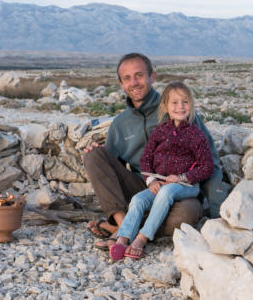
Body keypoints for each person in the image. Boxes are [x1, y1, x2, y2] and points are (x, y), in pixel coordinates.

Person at [83, 52, 225, 250]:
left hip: (180, 190)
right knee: (93, 154)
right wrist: (96, 155)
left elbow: (211, 160)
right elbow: (110, 171)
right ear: (121, 84)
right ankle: (123, 222)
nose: (134, 82)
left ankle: (123, 229)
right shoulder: (120, 124)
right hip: (143, 187)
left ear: (153, 76)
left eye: (139, 75)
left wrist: (218, 210)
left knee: (185, 216)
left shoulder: (177, 109)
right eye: (127, 78)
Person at [108, 81, 214, 260]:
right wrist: (151, 181)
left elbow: (207, 166)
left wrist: (183, 176)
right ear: (165, 106)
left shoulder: (196, 134)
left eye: (185, 102)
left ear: (191, 105)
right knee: (138, 199)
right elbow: (146, 159)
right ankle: (122, 239)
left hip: (186, 185)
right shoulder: (160, 131)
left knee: (166, 192)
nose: (180, 107)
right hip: (161, 182)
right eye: (174, 103)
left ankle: (141, 238)